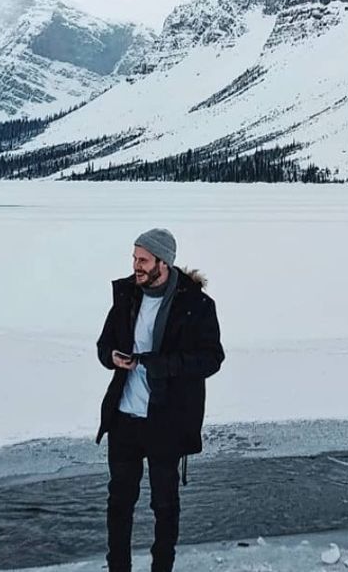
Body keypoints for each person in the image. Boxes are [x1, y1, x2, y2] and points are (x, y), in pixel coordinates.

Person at [96, 228, 225, 572]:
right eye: (134, 258)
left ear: (163, 263)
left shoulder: (195, 306)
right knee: (119, 503)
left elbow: (212, 358)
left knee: (164, 505)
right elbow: (103, 345)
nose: (135, 265)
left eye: (143, 260)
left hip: (166, 421)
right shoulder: (127, 296)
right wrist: (112, 357)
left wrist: (160, 364)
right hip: (124, 417)